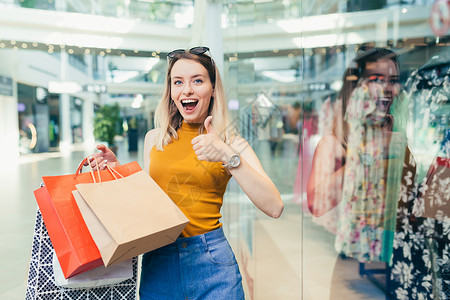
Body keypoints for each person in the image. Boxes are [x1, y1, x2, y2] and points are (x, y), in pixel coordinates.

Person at [87, 46, 284, 299]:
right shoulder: (155, 139)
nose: (187, 90)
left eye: (197, 81)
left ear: (213, 88)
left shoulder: (231, 143)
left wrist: (227, 156)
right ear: (170, 91)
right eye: (177, 82)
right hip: (159, 263)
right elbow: (151, 204)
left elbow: (275, 206)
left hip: (212, 264)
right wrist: (117, 172)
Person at [307, 47, 416, 298]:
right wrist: (371, 151)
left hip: (402, 269)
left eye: (393, 80)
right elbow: (316, 203)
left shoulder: (401, 139)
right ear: (356, 88)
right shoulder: (335, 144)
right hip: (357, 275)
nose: (387, 88)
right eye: (377, 80)